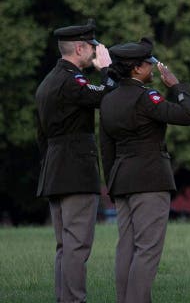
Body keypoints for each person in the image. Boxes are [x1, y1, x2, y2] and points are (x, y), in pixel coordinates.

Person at [100, 37, 190, 303]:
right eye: (149, 64)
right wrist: (177, 86)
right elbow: (189, 115)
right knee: (147, 249)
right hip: (149, 181)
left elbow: (106, 146)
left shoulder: (107, 100)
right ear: (136, 69)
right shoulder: (146, 97)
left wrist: (111, 182)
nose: (153, 68)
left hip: (121, 180)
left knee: (126, 248)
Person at [35, 19, 113, 302]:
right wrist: (106, 71)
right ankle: (74, 300)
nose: (95, 51)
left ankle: (64, 298)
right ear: (79, 47)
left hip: (55, 171)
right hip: (76, 172)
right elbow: (106, 96)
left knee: (65, 246)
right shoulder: (72, 81)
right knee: (77, 246)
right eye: (92, 46)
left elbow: (40, 137)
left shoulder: (47, 82)